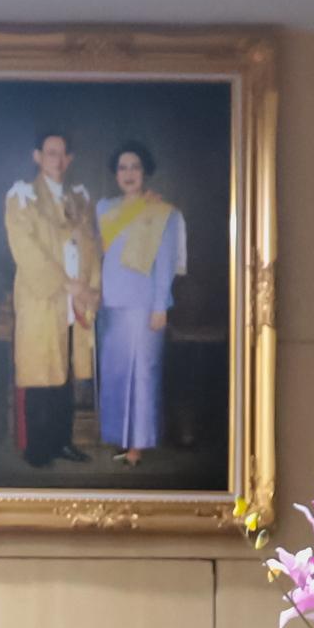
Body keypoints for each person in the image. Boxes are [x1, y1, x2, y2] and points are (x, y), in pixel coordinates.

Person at [0, 131, 94, 468]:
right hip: (43, 298)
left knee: (64, 373)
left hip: (73, 300)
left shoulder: (78, 199)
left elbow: (91, 245)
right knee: (41, 373)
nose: (57, 159)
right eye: (50, 152)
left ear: (69, 159)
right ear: (37, 156)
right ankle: (38, 448)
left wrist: (88, 287)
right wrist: (66, 284)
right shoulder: (22, 197)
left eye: (63, 153)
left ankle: (62, 441)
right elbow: (27, 250)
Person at [92, 142, 187, 463]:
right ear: (115, 174)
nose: (129, 173)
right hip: (111, 303)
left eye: (135, 167)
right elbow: (96, 251)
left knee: (143, 374)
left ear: (145, 172)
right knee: (116, 374)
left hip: (144, 305)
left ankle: (138, 444)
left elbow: (166, 262)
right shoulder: (104, 209)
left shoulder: (163, 213)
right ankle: (119, 438)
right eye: (123, 168)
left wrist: (160, 305)